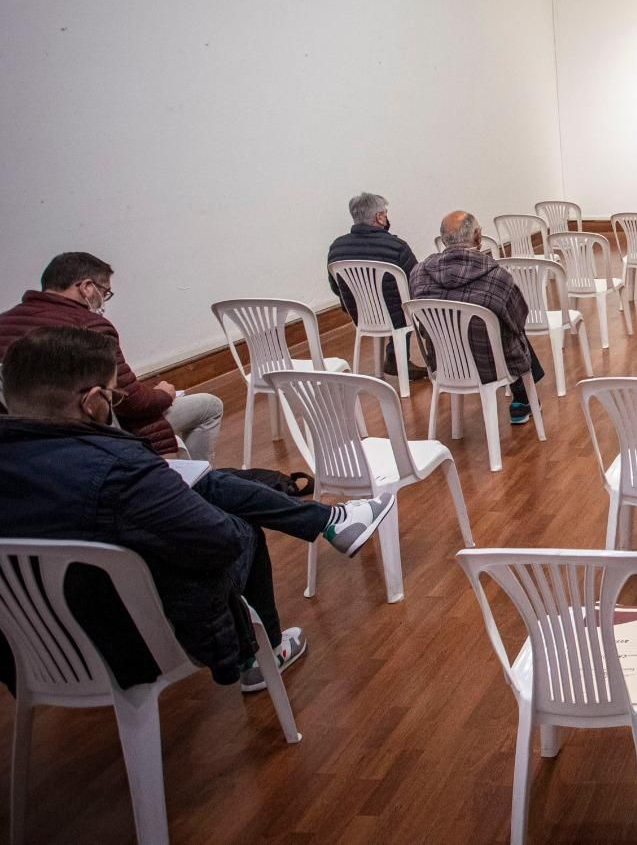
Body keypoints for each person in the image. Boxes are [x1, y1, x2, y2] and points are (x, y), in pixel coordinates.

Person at [0, 327, 395, 693]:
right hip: (132, 643)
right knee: (239, 527)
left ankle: (330, 521)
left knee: (205, 481)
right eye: (112, 395)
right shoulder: (119, 470)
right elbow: (219, 543)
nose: (114, 403)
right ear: (90, 402)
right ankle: (263, 655)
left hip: (33, 650)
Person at [0, 252, 224, 462]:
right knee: (209, 406)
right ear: (87, 287)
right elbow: (133, 403)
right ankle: (196, 481)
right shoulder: (90, 327)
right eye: (104, 292)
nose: (102, 301)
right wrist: (163, 395)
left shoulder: (5, 323)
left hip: (22, 442)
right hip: (97, 434)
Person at [409, 211, 544, 425]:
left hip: (445, 361)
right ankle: (522, 399)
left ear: (443, 240)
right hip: (490, 363)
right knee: (511, 330)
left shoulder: (418, 274)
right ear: (478, 236)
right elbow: (520, 318)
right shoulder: (496, 277)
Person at [327, 191, 426, 379]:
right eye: (385, 213)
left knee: (395, 303)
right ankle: (409, 359)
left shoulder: (336, 248)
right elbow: (416, 281)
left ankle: (394, 357)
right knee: (407, 304)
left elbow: (335, 286)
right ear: (380, 217)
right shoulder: (396, 247)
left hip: (360, 314)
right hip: (396, 315)